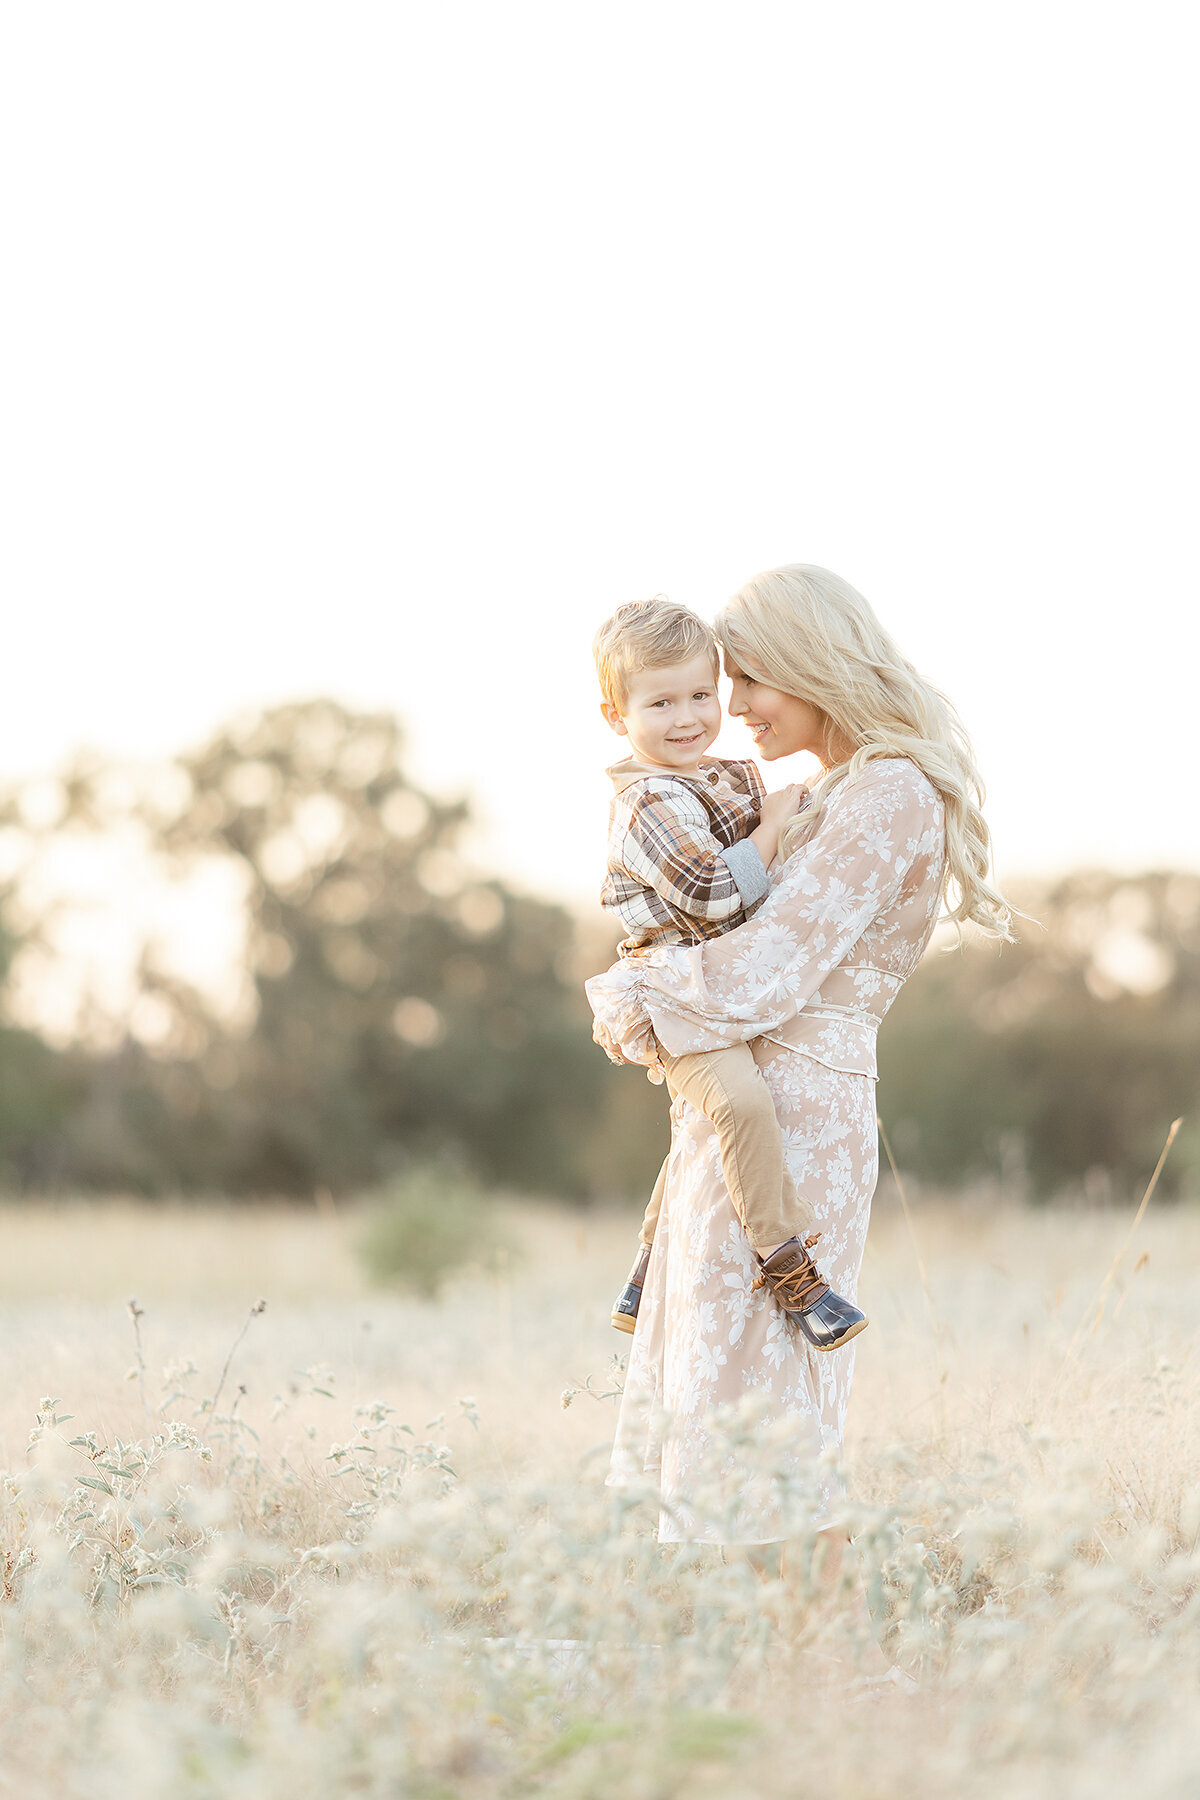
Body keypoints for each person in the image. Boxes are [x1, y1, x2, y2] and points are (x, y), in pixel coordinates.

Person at [596, 564, 1012, 1551]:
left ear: (815, 668)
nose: (730, 708)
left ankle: (811, 1666)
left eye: (749, 680)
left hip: (801, 1113)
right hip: (740, 1101)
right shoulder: (820, 792)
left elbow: (769, 970)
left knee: (767, 1400)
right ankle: (727, 1665)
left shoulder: (892, 794)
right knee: (707, 1391)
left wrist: (627, 995)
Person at [587, 596, 867, 1353]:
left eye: (701, 695)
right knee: (740, 1108)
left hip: (726, 985)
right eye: (660, 702)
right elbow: (712, 893)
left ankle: (645, 1274)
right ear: (618, 716)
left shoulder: (727, 776)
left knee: (706, 1129)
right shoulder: (648, 802)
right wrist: (773, 827)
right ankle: (794, 1275)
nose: (687, 717)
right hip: (677, 994)